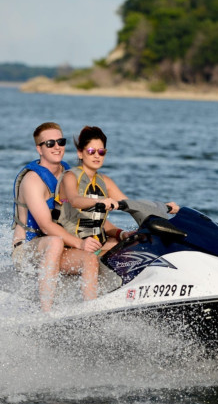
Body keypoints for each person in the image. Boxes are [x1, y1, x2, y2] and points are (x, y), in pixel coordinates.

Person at [11, 122, 101, 311]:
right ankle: (46, 312)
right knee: (55, 242)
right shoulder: (33, 181)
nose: (57, 147)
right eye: (50, 143)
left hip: (61, 244)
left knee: (92, 256)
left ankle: (92, 313)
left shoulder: (69, 174)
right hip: (29, 249)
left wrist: (117, 232)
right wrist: (79, 243)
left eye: (60, 141)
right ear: (39, 149)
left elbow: (85, 210)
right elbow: (45, 226)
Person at [56, 126, 179, 254]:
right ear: (80, 153)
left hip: (97, 244)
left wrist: (163, 207)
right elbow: (75, 200)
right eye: (91, 151)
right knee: (91, 259)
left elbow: (132, 204)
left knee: (134, 244)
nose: (97, 156)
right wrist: (100, 202)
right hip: (71, 245)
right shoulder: (70, 176)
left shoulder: (105, 181)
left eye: (101, 152)